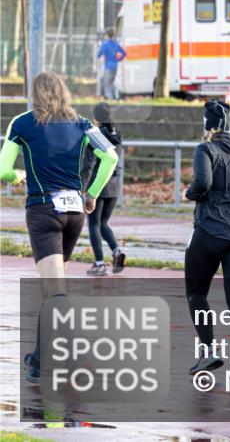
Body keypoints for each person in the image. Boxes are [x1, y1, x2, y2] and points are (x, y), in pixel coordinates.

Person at [0, 72, 118, 383]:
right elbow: (110, 156)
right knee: (52, 289)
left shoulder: (22, 123)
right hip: (75, 211)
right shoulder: (83, 124)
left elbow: (1, 169)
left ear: (34, 94)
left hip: (43, 211)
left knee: (55, 291)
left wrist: (15, 177)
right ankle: (37, 361)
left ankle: (79, 355)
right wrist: (92, 194)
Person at [184, 100, 230, 377]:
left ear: (207, 125)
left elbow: (203, 183)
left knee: (196, 293)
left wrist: (190, 193)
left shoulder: (205, 149)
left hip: (210, 231)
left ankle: (208, 351)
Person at [84, 102, 126, 276]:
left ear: (95, 117)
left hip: (99, 183)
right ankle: (116, 250)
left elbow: (89, 163)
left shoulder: (95, 134)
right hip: (114, 185)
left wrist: (84, 186)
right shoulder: (117, 133)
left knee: (93, 224)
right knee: (103, 223)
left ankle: (99, 264)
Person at [97, 27, 127, 100]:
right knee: (111, 82)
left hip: (108, 66)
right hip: (115, 66)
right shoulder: (115, 44)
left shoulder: (105, 44)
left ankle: (110, 98)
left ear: (107, 35)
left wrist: (100, 52)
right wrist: (119, 59)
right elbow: (124, 53)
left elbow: (99, 54)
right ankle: (116, 96)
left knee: (106, 84)